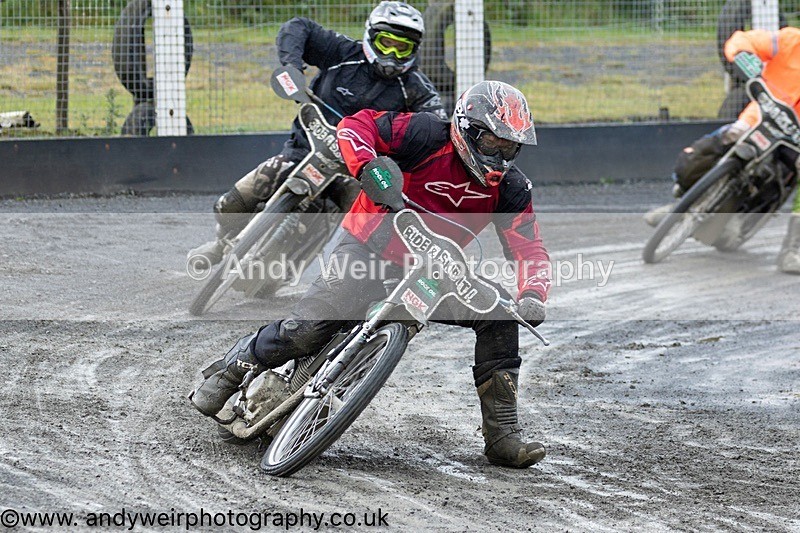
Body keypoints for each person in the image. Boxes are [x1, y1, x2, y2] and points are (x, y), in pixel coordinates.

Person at [190, 80, 553, 469]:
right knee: (310, 328)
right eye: (491, 142)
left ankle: (502, 435)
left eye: (509, 147)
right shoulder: (425, 133)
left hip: (434, 272)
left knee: (501, 316)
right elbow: (354, 125)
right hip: (367, 246)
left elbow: (528, 246)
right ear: (465, 129)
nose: (499, 155)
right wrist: (368, 166)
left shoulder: (513, 187)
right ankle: (231, 369)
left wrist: (533, 294)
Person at [188, 1, 447, 267]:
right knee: (235, 200)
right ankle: (220, 245)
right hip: (305, 151)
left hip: (358, 175)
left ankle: (354, 280)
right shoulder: (343, 53)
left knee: (370, 233)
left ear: (414, 49)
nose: (392, 53)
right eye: (386, 43)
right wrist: (292, 67)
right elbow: (298, 27)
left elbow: (437, 129)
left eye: (402, 47)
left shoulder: (418, 90)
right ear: (370, 36)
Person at [644, 26, 800, 274]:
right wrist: (744, 58)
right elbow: (743, 40)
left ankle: (794, 249)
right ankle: (682, 203)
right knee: (713, 144)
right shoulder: (791, 40)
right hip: (756, 121)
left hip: (794, 148)